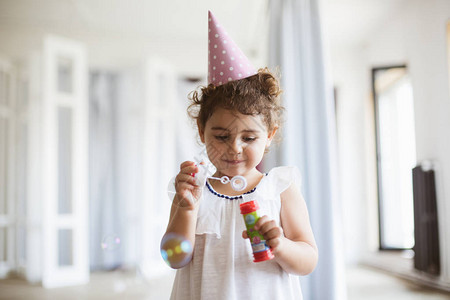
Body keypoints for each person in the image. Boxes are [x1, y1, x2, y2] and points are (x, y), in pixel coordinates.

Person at [162, 11, 318, 300]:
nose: (234, 148)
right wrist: (186, 208)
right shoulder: (193, 191)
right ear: (201, 130)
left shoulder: (280, 188)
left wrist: (281, 245)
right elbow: (174, 258)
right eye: (221, 136)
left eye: (249, 138)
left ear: (270, 134)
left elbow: (308, 260)